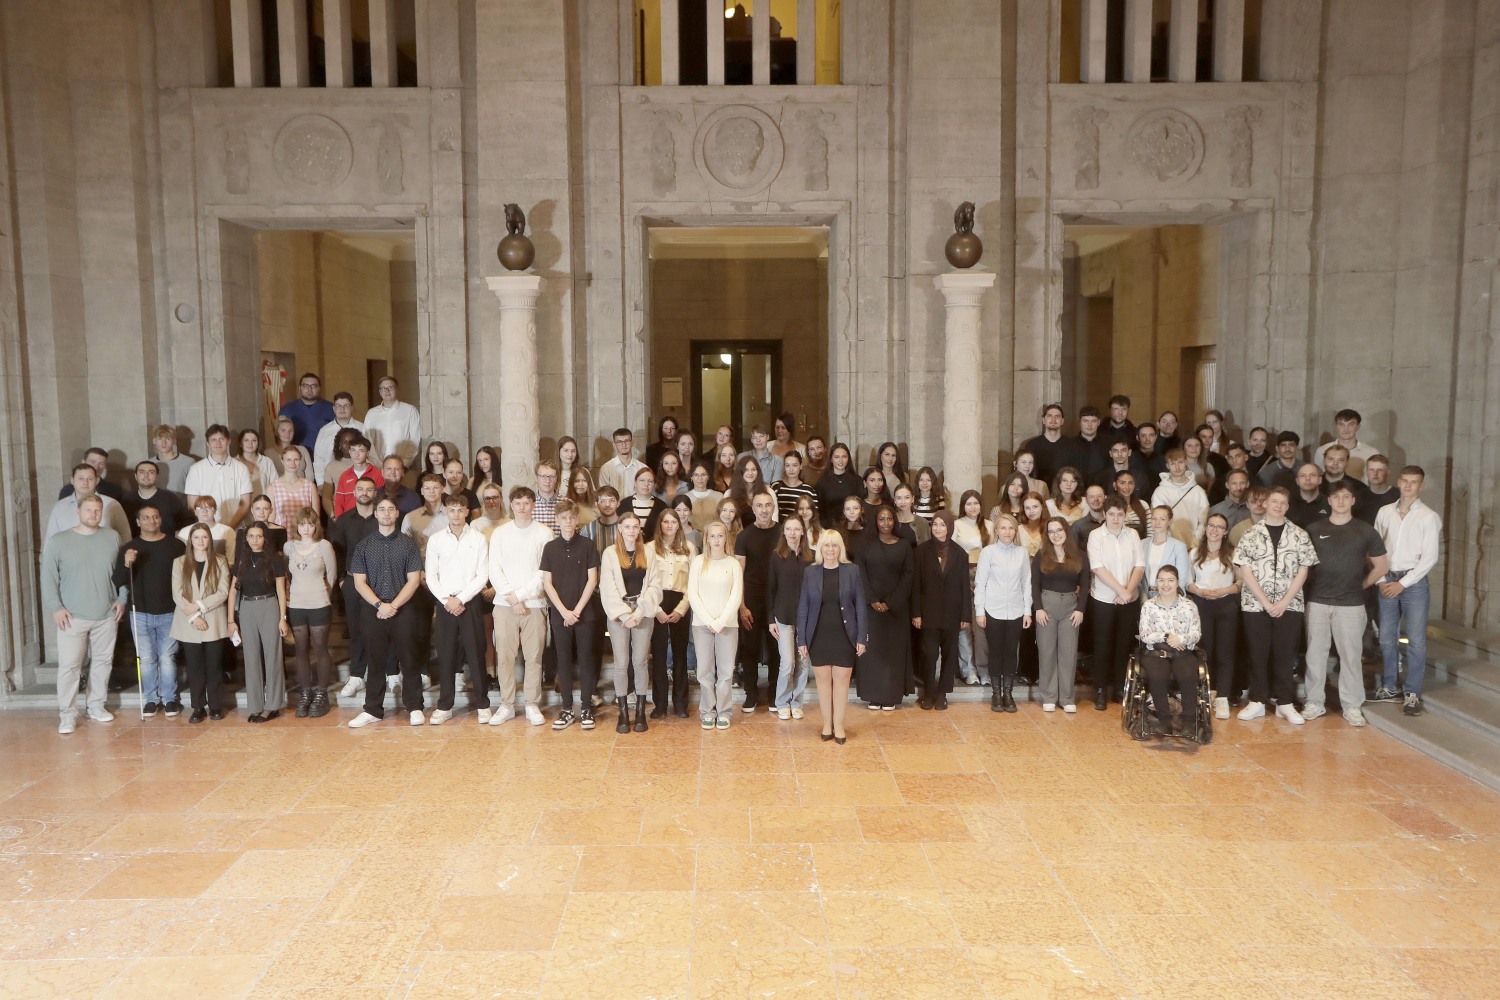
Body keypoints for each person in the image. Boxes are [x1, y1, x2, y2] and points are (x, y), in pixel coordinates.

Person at [1302, 481, 1389, 726]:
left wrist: (1361, 585)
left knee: (1351, 656)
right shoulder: (1313, 528)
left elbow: (1382, 566)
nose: (1340, 500)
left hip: (1351, 604)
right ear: (1328, 501)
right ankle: (1314, 702)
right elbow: (1303, 566)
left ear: (1353, 500)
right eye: (1336, 496)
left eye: (1346, 496)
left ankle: (1351, 706)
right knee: (1315, 655)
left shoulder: (1365, 531)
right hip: (1318, 601)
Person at [1233, 486, 1319, 725]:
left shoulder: (1299, 534)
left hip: (1289, 604)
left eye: (1283, 502)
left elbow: (1304, 569)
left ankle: (1285, 703)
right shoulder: (1251, 534)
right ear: (1266, 504)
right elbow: (1244, 569)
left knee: (1284, 654)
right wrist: (1265, 601)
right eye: (1274, 502)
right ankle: (1257, 701)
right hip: (1255, 604)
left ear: (1287, 506)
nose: (1278, 506)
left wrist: (1283, 601)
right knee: (1257, 653)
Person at [41, 494, 124, 734]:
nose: (93, 515)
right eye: (89, 510)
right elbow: (48, 578)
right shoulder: (59, 541)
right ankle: (67, 714)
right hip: (72, 616)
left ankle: (96, 706)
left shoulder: (112, 537)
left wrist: (122, 599)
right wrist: (56, 607)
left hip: (106, 614)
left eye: (97, 510)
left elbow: (121, 573)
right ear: (78, 512)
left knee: (103, 662)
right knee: (69, 666)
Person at [347, 495, 427, 728]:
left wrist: (393, 605)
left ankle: (414, 707)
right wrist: (380, 605)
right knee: (376, 660)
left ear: (396, 514)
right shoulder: (364, 545)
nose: (386, 513)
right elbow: (359, 582)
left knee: (409, 659)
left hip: (403, 609)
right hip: (374, 610)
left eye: (390, 509)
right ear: (376, 514)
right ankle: (372, 709)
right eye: (381, 509)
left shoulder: (408, 543)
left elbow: (414, 580)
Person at [1374, 466, 1442, 716]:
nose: (1408, 486)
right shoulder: (1384, 512)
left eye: (1414, 482)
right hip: (1387, 579)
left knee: (1416, 640)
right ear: (1398, 482)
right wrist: (1381, 579)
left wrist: (1403, 583)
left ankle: (1412, 691)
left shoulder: (1428, 516)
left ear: (1421, 486)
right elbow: (1375, 548)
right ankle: (1390, 685)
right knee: (1386, 637)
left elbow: (1429, 558)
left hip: (1413, 584)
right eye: (1404, 481)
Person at [489, 486, 555, 726]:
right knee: (504, 657)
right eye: (518, 503)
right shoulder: (500, 533)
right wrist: (511, 597)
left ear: (533, 505)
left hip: (534, 604)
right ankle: (506, 705)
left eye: (527, 502)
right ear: (511, 505)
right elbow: (494, 569)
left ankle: (531, 704)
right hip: (505, 604)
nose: (522, 507)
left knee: (534, 657)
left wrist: (521, 596)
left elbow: (544, 572)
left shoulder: (544, 533)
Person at [115, 503, 187, 718]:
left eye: (155, 517)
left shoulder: (176, 546)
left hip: (169, 611)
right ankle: (151, 699)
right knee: (146, 659)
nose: (151, 521)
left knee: (167, 657)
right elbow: (118, 580)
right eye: (146, 518)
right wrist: (127, 564)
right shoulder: (130, 548)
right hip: (141, 612)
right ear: (138, 522)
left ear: (160, 520)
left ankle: (170, 699)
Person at [425, 493, 491, 725]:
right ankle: (445, 705)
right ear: (445, 511)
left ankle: (483, 704)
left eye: (459, 509)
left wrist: (461, 598)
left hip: (469, 602)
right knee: (446, 655)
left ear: (466, 512)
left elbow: (483, 574)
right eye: (451, 509)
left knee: (476, 653)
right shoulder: (436, 540)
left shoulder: (478, 538)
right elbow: (431, 575)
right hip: (445, 604)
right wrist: (447, 599)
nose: (455, 514)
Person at [797, 530, 867, 744]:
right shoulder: (811, 572)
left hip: (845, 635)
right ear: (820, 549)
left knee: (842, 682)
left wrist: (862, 637)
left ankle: (839, 725)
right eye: (826, 545)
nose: (830, 550)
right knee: (823, 682)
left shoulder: (851, 571)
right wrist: (801, 640)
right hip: (818, 635)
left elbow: (861, 607)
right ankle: (827, 724)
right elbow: (803, 607)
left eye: (834, 545)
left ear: (840, 548)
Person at [541, 500, 602, 731]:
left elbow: (592, 579)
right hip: (560, 614)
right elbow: (547, 583)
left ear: (577, 520)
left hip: (584, 613)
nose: (567, 521)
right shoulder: (550, 548)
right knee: (563, 661)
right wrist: (564, 611)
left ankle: (586, 707)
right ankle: (567, 709)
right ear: (557, 520)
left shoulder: (587, 545)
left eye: (571, 517)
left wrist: (576, 610)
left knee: (586, 660)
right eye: (563, 518)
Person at [601, 511, 660, 733]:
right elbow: (607, 588)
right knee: (621, 662)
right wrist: (626, 615)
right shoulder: (610, 554)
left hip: (642, 611)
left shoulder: (648, 552)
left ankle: (640, 713)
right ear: (620, 529)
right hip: (619, 614)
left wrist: (640, 611)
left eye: (636, 527)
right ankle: (623, 713)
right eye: (627, 527)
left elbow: (654, 584)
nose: (632, 531)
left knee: (641, 661)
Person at [228, 522, 290, 723]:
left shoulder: (274, 559)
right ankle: (255, 705)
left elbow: (281, 590)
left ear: (265, 538)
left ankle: (272, 706)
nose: (255, 540)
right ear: (246, 539)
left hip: (269, 606)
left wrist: (283, 618)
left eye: (259, 536)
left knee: (272, 656)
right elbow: (233, 591)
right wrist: (231, 620)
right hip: (246, 608)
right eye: (251, 536)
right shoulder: (242, 560)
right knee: (251, 656)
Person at [1087, 497, 1145, 709]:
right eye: (1111, 514)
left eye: (1120, 514)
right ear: (1104, 514)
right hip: (1104, 599)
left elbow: (1139, 566)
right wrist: (1121, 590)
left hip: (1129, 599)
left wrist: (1128, 592)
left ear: (1125, 515)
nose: (1115, 518)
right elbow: (1097, 567)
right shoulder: (1096, 535)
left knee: (1123, 645)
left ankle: (1120, 688)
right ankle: (1100, 690)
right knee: (1102, 645)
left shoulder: (1133, 535)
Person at [172, 523, 231, 724]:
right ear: (190, 540)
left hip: (213, 620)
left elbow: (223, 592)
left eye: (204, 537)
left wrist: (199, 606)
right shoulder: (179, 562)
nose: (200, 541)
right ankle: (198, 707)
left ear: (209, 540)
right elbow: (177, 594)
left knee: (214, 666)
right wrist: (193, 617)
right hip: (189, 622)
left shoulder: (220, 561)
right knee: (194, 668)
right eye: (196, 537)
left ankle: (215, 706)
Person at [912, 510, 970, 711]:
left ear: (950, 527)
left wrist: (965, 615)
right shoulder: (920, 552)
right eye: (935, 524)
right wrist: (916, 613)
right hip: (928, 613)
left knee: (949, 654)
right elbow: (916, 585)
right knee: (929, 654)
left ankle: (943, 693)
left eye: (942, 524)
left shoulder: (960, 553)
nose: (938, 528)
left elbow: (964, 586)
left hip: (952, 613)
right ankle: (928, 692)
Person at [975, 513, 1032, 713]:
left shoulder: (1022, 553)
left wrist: (1027, 611)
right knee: (996, 652)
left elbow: (1026, 583)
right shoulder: (988, 552)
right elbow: (980, 583)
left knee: (1010, 652)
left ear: (1015, 531)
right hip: (993, 609)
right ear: (996, 530)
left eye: (1011, 528)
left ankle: (1008, 693)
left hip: (1016, 611)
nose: (1007, 532)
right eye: (1003, 528)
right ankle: (996, 694)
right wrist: (980, 611)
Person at [689, 520, 744, 730]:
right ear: (707, 539)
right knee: (704, 670)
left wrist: (721, 621)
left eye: (720, 536)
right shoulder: (698, 562)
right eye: (712, 536)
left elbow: (736, 595)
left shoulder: (733, 564)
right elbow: (693, 595)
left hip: (727, 625)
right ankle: (707, 711)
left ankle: (724, 711)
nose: (716, 540)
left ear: (726, 538)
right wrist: (710, 621)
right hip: (702, 624)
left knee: (726, 671)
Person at [1137, 566, 1203, 737]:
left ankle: (1189, 722)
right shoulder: (1149, 606)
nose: (1165, 584)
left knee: (1188, 675)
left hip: (1183, 652)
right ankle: (1164, 721)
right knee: (1157, 676)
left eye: (1170, 580)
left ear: (1177, 583)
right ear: (1156, 583)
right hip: (1156, 653)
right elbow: (1144, 635)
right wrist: (1166, 636)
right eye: (1161, 580)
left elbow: (1196, 633)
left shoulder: (1189, 606)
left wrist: (1181, 639)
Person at [1187, 513, 1242, 720]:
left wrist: (1222, 591)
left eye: (1220, 527)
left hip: (1226, 604)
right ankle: (1207, 692)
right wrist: (1198, 591)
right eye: (1211, 526)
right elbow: (1187, 582)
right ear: (1206, 528)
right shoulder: (1194, 553)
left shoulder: (1232, 553)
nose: (1215, 530)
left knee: (1225, 653)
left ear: (1225, 531)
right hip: (1202, 604)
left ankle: (1223, 698)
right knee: (1205, 651)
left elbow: (1240, 582)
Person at [285, 507, 337, 718]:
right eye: (302, 524)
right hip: (296, 603)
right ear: (297, 526)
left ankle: (321, 692)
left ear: (316, 525)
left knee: (320, 647)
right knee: (300, 649)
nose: (306, 528)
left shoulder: (324, 546)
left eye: (310, 524)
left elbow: (332, 575)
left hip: (319, 603)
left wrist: (325, 596)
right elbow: (287, 576)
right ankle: (306, 692)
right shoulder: (289, 546)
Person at [1032, 516, 1088, 713]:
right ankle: (1048, 696)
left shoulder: (1079, 555)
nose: (1055, 535)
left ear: (1066, 531)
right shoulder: (1041, 555)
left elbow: (1086, 584)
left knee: (1068, 654)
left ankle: (1066, 698)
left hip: (1070, 608)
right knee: (1047, 653)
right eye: (1051, 531)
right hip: (1046, 606)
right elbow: (1034, 584)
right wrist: (1038, 608)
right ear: (1047, 535)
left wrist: (1080, 609)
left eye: (1059, 530)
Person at [332, 477, 380, 700]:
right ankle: (357, 675)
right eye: (360, 489)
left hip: (379, 582)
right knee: (355, 628)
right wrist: (341, 578)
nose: (364, 492)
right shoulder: (343, 521)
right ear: (353, 492)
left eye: (369, 489)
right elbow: (337, 552)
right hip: (351, 582)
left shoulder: (382, 518)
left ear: (375, 492)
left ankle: (387, 673)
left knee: (382, 626)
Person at [735, 488, 781, 711]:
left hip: (777, 599)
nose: (764, 510)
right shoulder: (744, 536)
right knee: (750, 648)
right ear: (753, 509)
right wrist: (742, 606)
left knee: (776, 649)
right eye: (759, 506)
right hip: (751, 599)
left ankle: (774, 694)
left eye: (768, 505)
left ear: (774, 508)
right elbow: (738, 573)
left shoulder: (783, 533)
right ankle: (751, 694)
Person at [649, 508, 696, 719]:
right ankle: (659, 705)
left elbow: (693, 583)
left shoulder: (688, 548)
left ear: (679, 524)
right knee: (658, 656)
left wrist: (681, 609)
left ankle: (680, 704)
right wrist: (656, 610)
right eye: (665, 522)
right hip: (657, 603)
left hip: (680, 602)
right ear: (660, 525)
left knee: (680, 655)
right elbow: (646, 583)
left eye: (673, 522)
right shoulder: (650, 548)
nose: (669, 526)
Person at [766, 515, 813, 720]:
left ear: (803, 531)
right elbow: (771, 589)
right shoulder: (777, 556)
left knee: (803, 662)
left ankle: (797, 702)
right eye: (788, 529)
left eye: (796, 529)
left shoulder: (810, 558)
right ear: (783, 532)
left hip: (806, 618)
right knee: (787, 663)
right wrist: (770, 620)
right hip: (782, 617)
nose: (792, 533)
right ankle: (782, 702)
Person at [953, 489, 991, 687]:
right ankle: (968, 669)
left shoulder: (989, 526)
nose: (973, 507)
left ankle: (984, 669)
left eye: (976, 503)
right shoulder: (956, 525)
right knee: (964, 624)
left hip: (986, 577)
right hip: (961, 575)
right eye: (968, 503)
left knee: (981, 625)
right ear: (963, 506)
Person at [186, 424, 252, 528]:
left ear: (229, 441)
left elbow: (245, 504)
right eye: (213, 440)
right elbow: (192, 504)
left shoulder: (241, 468)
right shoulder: (196, 469)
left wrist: (230, 527)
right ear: (208, 443)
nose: (218, 443)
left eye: (222, 439)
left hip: (236, 528)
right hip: (206, 529)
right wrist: (209, 526)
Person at [48, 463, 131, 539]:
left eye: (90, 479)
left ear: (96, 481)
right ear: (72, 480)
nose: (85, 482)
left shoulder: (112, 504)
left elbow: (125, 535)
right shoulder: (60, 506)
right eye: (81, 478)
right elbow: (51, 538)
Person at [1150, 449, 1209, 546]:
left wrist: (1195, 541)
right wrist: (1169, 542)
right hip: (1168, 544)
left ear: (1186, 462)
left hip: (1194, 545)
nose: (1177, 467)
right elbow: (1157, 521)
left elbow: (1204, 521)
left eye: (1180, 462)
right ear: (1167, 466)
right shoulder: (1160, 492)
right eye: (1173, 463)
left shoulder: (1198, 491)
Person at [363, 376, 422, 468]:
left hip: (404, 467)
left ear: (397, 389)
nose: (387, 391)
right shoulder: (372, 414)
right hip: (378, 467)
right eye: (383, 388)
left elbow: (415, 440)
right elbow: (367, 439)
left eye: (390, 387)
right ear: (380, 392)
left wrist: (404, 464)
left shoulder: (410, 410)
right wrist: (378, 464)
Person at [122, 460, 189, 537]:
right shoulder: (126, 500)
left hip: (167, 545)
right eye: (142, 472)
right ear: (136, 476)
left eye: (151, 472)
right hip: (136, 546)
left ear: (157, 476)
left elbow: (184, 522)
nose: (146, 475)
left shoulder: (171, 498)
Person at [1314, 408, 1379, 482]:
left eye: (1351, 424)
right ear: (1336, 426)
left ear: (1358, 427)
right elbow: (1319, 478)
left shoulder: (1372, 453)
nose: (1346, 429)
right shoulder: (1321, 451)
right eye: (1341, 424)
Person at [313, 393, 365, 486]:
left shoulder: (362, 429)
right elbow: (318, 460)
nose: (342, 409)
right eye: (338, 405)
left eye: (346, 405)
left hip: (358, 481)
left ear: (352, 408)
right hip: (330, 481)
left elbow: (369, 455)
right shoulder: (324, 431)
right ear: (333, 408)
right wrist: (320, 483)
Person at [1142, 505, 1192, 601]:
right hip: (1146, 597)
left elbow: (1181, 579)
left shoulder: (1179, 546)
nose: (1157, 522)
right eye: (1154, 518)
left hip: (1171, 597)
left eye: (1162, 519)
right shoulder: (1142, 544)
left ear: (1169, 521)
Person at [279, 372, 335, 447]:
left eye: (314, 386)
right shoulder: (287, 410)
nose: (309, 389)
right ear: (299, 388)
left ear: (319, 388)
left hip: (325, 455)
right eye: (305, 386)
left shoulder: (331, 408)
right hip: (296, 455)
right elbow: (280, 437)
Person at [228, 495, 287, 565]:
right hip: (249, 571)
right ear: (252, 510)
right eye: (258, 508)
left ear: (271, 511)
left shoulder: (280, 530)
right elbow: (239, 558)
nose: (261, 512)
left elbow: (282, 557)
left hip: (273, 571)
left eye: (265, 508)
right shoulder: (242, 531)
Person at [270, 446, 319, 528]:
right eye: (288, 460)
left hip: (304, 537)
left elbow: (316, 518)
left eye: (296, 459)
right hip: (282, 536)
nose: (292, 463)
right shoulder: (272, 488)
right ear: (282, 461)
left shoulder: (310, 486)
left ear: (300, 461)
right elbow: (271, 520)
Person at [1022, 403, 1071, 485]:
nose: (1053, 419)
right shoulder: (1032, 445)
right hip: (1038, 492)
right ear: (1043, 420)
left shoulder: (1071, 445)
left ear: (1062, 421)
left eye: (1057, 416)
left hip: (1065, 492)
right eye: (1049, 416)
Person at [815, 443, 862, 527]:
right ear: (831, 459)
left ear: (848, 459)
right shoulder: (822, 481)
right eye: (837, 457)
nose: (840, 460)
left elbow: (861, 505)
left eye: (844, 457)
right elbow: (820, 509)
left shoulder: (857, 480)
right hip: (829, 528)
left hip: (852, 526)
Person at [58, 446, 125, 502]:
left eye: (101, 464)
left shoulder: (114, 490)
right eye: (92, 462)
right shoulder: (67, 490)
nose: (96, 467)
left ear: (105, 466)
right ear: (83, 462)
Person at [598, 426, 648, 498]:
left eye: (626, 441)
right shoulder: (606, 468)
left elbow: (646, 492)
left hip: (635, 507)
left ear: (632, 443)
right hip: (614, 508)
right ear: (614, 445)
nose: (623, 444)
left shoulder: (642, 468)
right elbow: (602, 494)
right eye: (619, 442)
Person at [771, 451, 817, 524]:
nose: (791, 469)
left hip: (801, 530)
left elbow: (814, 516)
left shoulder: (809, 490)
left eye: (795, 465)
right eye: (787, 465)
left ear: (800, 466)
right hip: (779, 529)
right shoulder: (775, 487)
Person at [1320, 445, 1371, 511]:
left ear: (1347, 462)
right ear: (1324, 460)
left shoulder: (1360, 488)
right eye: (1331, 459)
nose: (1335, 463)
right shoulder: (1313, 485)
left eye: (1340, 460)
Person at [1068, 405, 1108, 484]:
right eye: (1085, 421)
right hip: (1077, 490)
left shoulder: (1109, 443)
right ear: (1079, 422)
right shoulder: (1069, 444)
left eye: (1093, 421)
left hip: (1102, 489)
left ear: (1099, 422)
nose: (1089, 425)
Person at [623, 466, 668, 537]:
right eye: (642, 480)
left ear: (653, 484)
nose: (646, 484)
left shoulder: (662, 506)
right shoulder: (623, 504)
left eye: (650, 481)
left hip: (653, 546)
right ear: (635, 483)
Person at [150, 425, 195, 494]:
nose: (163, 443)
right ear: (154, 441)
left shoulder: (188, 462)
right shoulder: (148, 463)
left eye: (168, 439)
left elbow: (195, 489)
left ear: (174, 441)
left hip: (180, 503)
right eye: (160, 439)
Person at [1357, 455, 1399, 524]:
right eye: (1371, 470)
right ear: (1367, 472)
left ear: (1388, 472)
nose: (1375, 474)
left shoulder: (1399, 496)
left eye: (1380, 470)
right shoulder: (1358, 497)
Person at [237, 428, 278, 497]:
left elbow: (275, 486)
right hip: (240, 505)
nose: (250, 443)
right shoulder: (234, 463)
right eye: (246, 440)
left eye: (254, 440)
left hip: (263, 505)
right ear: (240, 443)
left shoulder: (267, 462)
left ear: (258, 443)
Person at [1288, 463, 1331, 529]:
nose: (1308, 478)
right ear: (1297, 481)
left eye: (1312, 475)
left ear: (1320, 480)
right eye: (1303, 475)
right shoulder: (1288, 503)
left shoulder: (1330, 503)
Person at [685, 460, 724, 532]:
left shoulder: (719, 496)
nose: (700, 478)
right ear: (691, 477)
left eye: (703, 474)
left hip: (714, 536)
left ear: (708, 476)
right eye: (696, 475)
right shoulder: (685, 498)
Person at [1070, 484, 1108, 549]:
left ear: (1105, 498)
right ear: (1086, 500)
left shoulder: (1113, 523)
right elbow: (1072, 552)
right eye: (1091, 497)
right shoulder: (1078, 526)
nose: (1096, 499)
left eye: (1099, 496)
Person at [533, 460, 562, 534]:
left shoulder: (566, 503)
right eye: (543, 476)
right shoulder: (528, 504)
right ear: (536, 478)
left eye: (552, 476)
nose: (547, 480)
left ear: (556, 479)